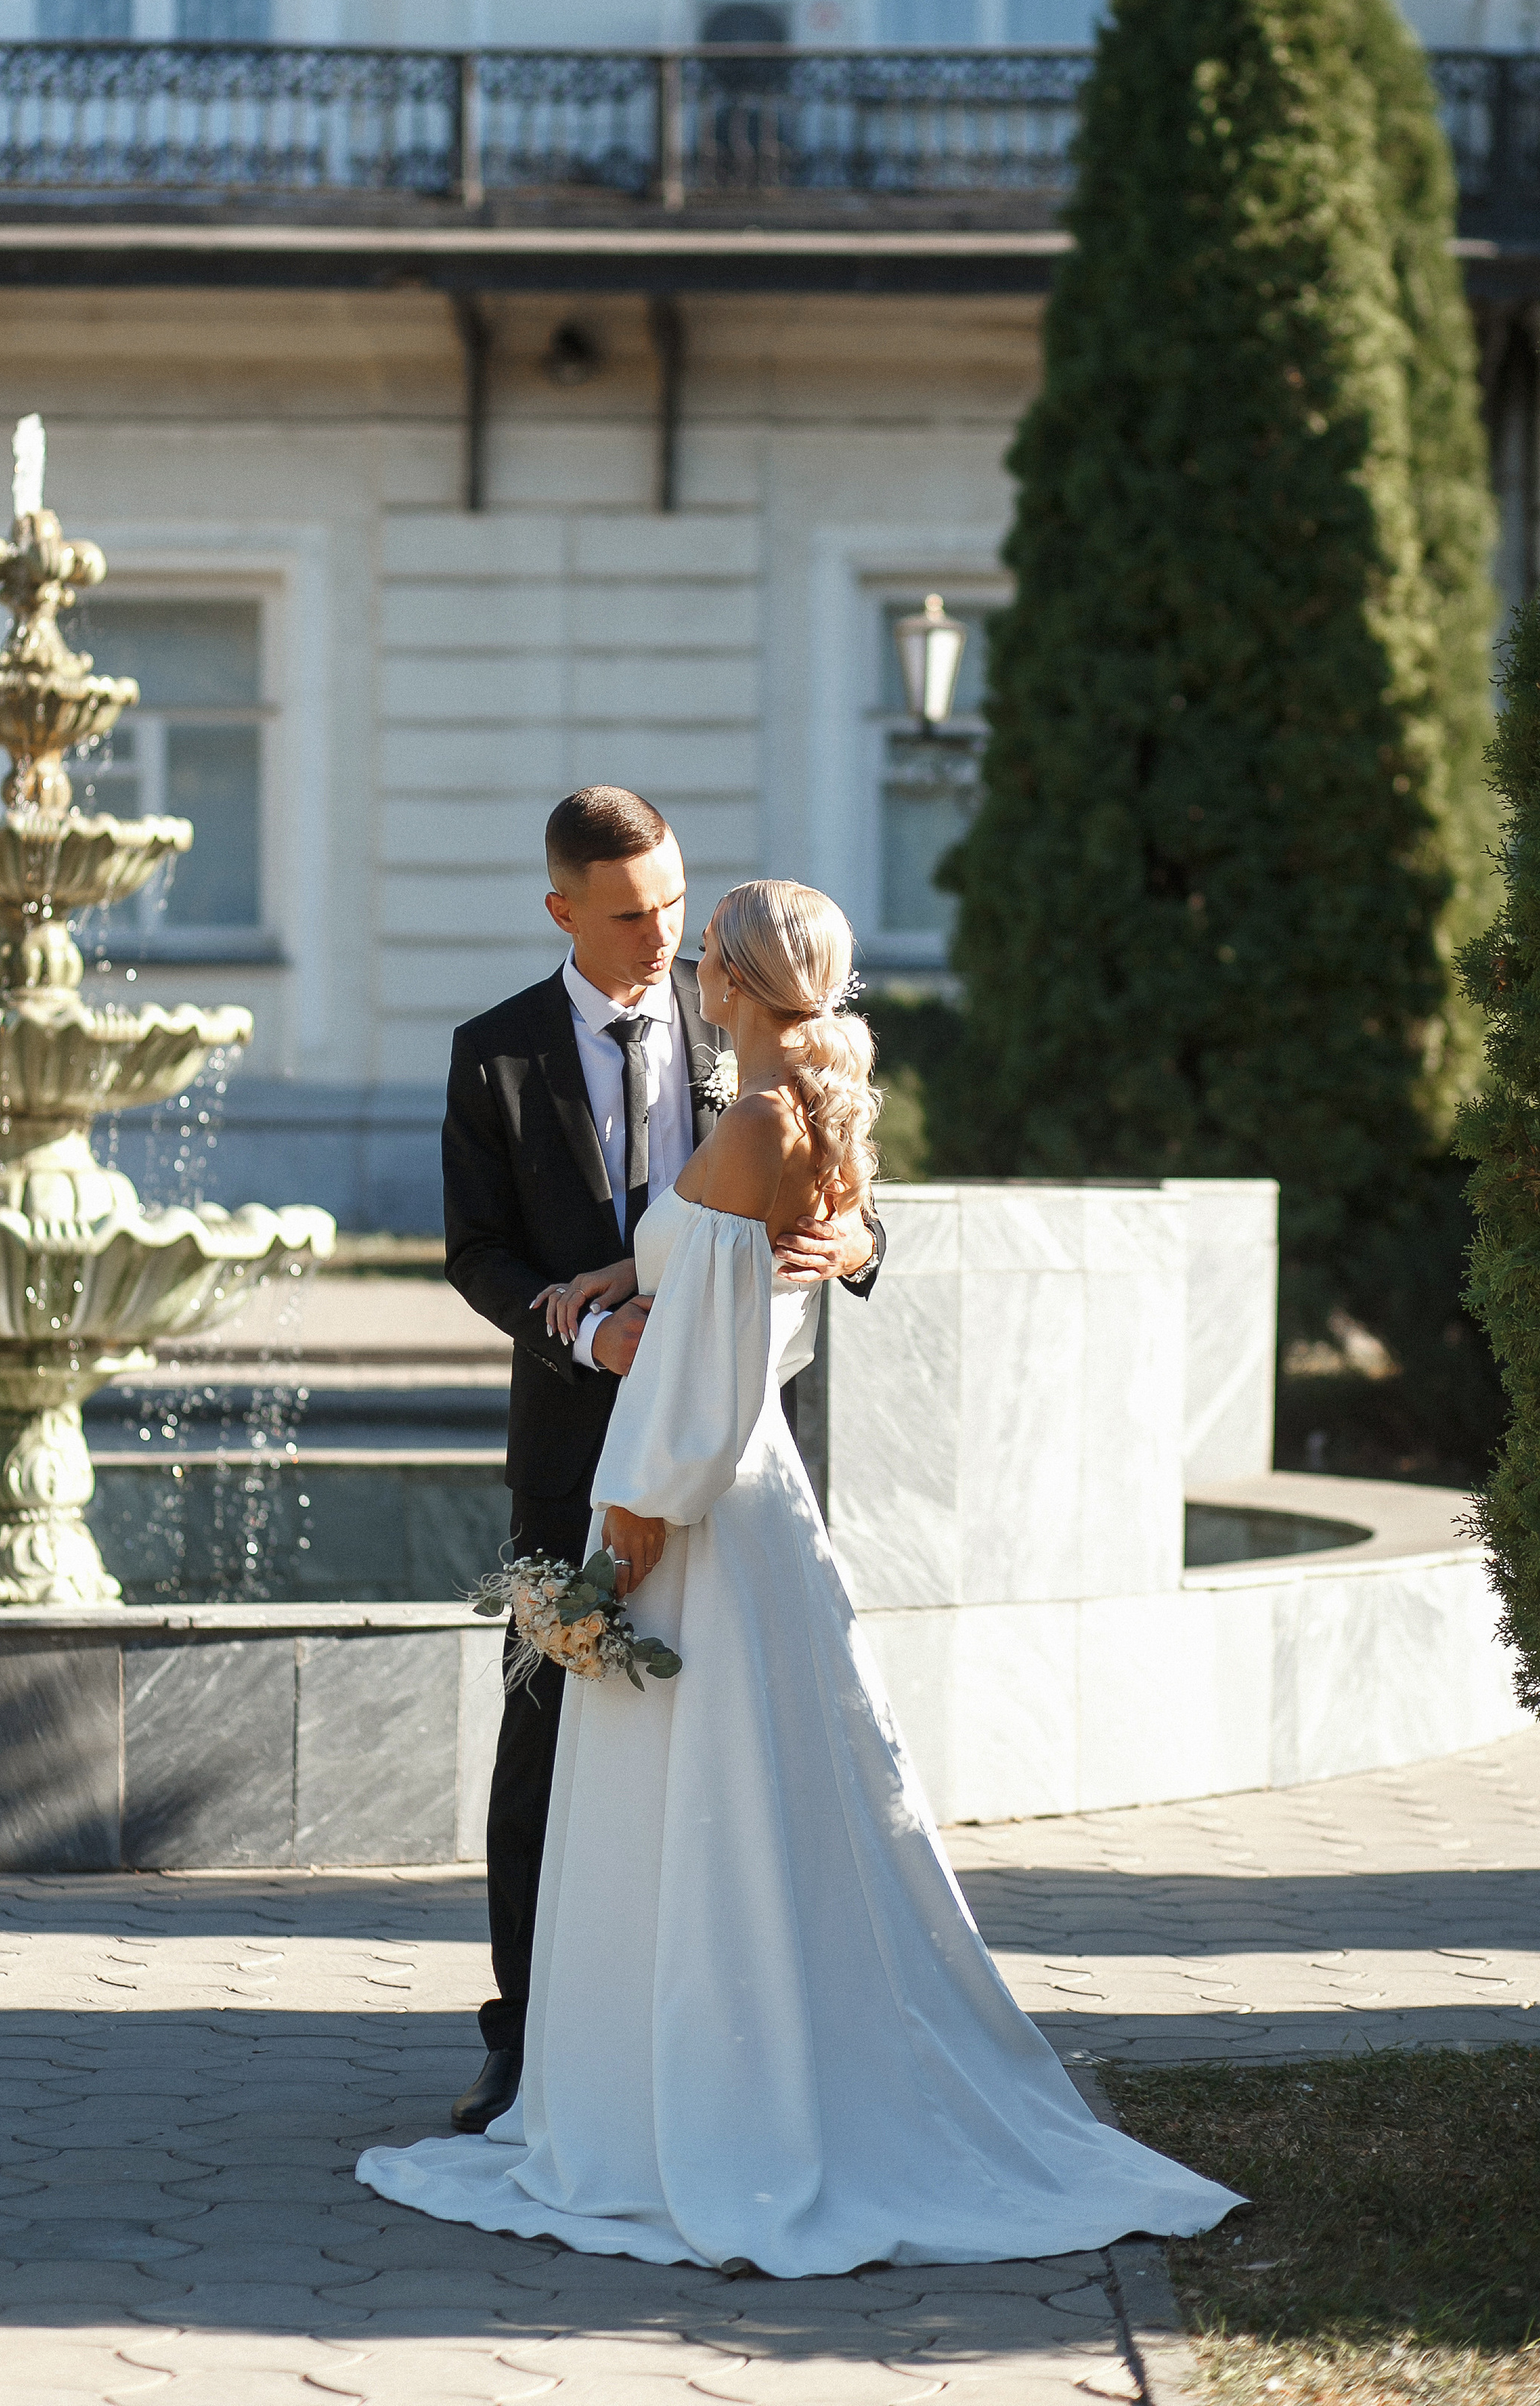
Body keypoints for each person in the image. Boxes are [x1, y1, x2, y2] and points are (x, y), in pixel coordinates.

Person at [362, 879, 1243, 2274]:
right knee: (756, 1787)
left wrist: (635, 1522)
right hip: (751, 1494)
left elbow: (709, 1348)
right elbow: (718, 1263)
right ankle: (716, 2059)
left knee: (688, 1789)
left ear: (735, 979)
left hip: (696, 1497)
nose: (684, 956)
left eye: (701, 938)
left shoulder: (753, 1116)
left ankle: (702, 2102)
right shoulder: (801, 1107)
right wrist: (604, 1283)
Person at [438, 792, 885, 2136]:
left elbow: (841, 1198)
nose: (664, 936)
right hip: (571, 1447)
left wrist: (857, 1246)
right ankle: (529, 2040)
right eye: (632, 914)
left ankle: (725, 2035)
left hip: (727, 1450)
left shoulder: (749, 1019)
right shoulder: (494, 1054)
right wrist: (588, 1330)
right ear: (563, 909)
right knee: (546, 1745)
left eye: (677, 905)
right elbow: (477, 1255)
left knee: (732, 1750)